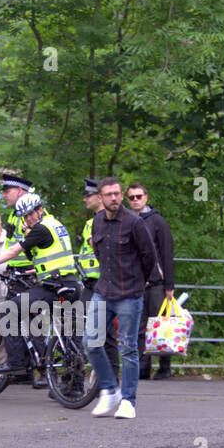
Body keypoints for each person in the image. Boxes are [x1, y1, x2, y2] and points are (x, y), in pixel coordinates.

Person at [0, 192, 80, 392]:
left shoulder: (41, 228)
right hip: (69, 283)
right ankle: (73, 388)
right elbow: (57, 258)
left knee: (9, 310)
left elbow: (13, 251)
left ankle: (16, 364)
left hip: (53, 286)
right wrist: (35, 271)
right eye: (24, 216)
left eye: (31, 214)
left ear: (40, 209)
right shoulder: (56, 225)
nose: (28, 219)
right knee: (67, 336)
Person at [85, 176, 160, 419]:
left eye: (118, 193)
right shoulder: (97, 221)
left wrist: (141, 282)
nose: (115, 198)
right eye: (109, 194)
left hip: (129, 294)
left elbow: (149, 256)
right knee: (90, 342)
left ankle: (128, 400)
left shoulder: (135, 223)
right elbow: (98, 252)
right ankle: (109, 389)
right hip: (103, 292)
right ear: (101, 198)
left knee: (127, 349)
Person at [126, 183, 175, 380]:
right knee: (139, 327)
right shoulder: (126, 221)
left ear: (146, 197)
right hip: (136, 284)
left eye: (139, 196)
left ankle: (165, 367)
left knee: (161, 325)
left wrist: (169, 285)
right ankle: (143, 367)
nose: (136, 200)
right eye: (132, 197)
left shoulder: (157, 222)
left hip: (156, 283)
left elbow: (166, 252)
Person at [78, 178, 119, 380]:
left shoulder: (104, 222)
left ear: (99, 197)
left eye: (88, 195)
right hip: (91, 283)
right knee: (103, 331)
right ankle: (110, 377)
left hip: (101, 283)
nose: (85, 199)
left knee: (88, 328)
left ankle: (76, 381)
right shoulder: (91, 222)